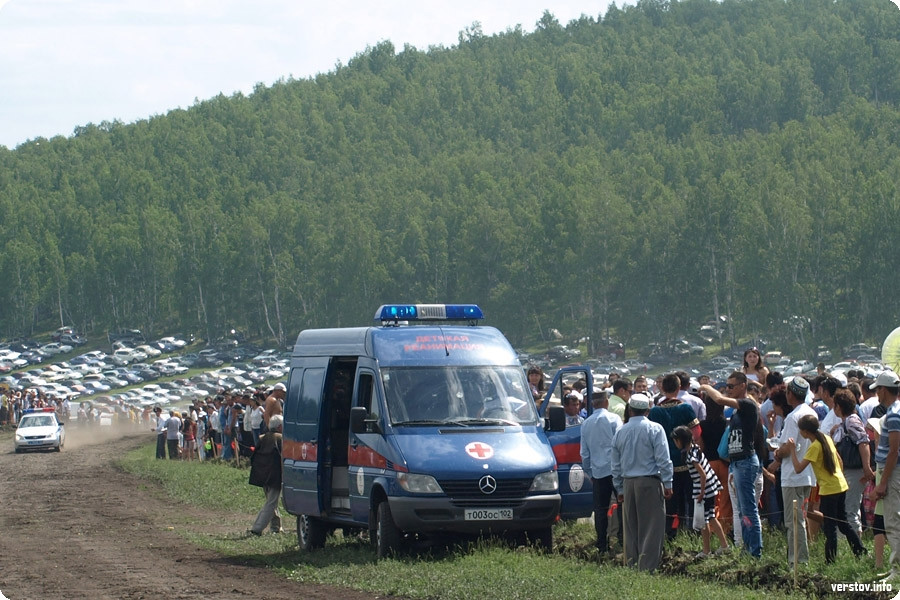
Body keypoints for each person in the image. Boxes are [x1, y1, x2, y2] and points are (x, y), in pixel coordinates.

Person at [700, 372, 763, 558]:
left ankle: (755, 552)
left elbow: (719, 400)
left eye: (731, 386)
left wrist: (705, 387)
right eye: (727, 386)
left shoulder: (748, 404)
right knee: (742, 510)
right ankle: (746, 548)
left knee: (749, 509)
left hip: (745, 461)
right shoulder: (737, 409)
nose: (728, 389)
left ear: (743, 385)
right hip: (736, 462)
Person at [788, 414, 866, 563]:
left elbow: (798, 468)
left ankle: (830, 560)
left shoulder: (814, 447)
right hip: (840, 485)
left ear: (805, 432)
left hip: (829, 490)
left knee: (830, 527)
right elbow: (840, 460)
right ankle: (859, 550)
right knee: (843, 523)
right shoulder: (827, 439)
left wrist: (792, 450)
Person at [611, 393, 673, 572]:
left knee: (631, 527)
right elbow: (663, 458)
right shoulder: (655, 429)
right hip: (650, 481)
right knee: (652, 527)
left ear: (630, 410)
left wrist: (619, 487)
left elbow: (615, 463)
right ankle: (647, 567)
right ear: (648, 410)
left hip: (628, 482)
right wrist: (668, 483)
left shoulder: (620, 431)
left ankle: (631, 564)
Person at [649, 373, 699, 539]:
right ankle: (691, 531)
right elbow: (697, 432)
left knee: (670, 502)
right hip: (686, 461)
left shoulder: (655, 411)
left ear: (662, 389)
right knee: (690, 498)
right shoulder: (684, 408)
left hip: (664, 463)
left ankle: (670, 533)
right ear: (679, 388)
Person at [671, 425, 729, 558]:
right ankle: (721, 546)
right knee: (711, 517)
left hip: (704, 488)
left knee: (704, 520)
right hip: (710, 486)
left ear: (681, 440)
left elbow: (702, 474)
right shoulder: (696, 448)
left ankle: (708, 550)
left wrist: (701, 492)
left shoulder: (691, 456)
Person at [580, 391, 623, 554]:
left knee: (600, 510)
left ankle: (601, 544)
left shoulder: (586, 424)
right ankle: (621, 540)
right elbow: (620, 444)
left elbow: (584, 453)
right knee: (621, 505)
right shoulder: (614, 419)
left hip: (598, 473)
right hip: (615, 470)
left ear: (592, 404)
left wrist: (590, 473)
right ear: (606, 402)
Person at [832, 388, 874, 536]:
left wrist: (866, 467)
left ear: (839, 406)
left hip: (854, 471)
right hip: (848, 471)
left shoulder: (851, 421)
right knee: (850, 508)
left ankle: (855, 547)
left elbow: (863, 443)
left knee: (850, 509)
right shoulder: (846, 422)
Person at [870, 370, 900, 578]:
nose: (877, 395)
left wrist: (883, 483)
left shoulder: (894, 414)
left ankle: (897, 569)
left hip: (893, 471)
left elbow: (894, 451)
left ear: (883, 390)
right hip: (892, 470)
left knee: (893, 520)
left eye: (878, 390)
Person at [248, 414, 284, 536]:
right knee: (271, 503)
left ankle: (275, 527)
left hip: (263, 474)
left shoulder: (263, 438)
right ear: (279, 427)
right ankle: (257, 528)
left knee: (271, 501)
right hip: (275, 476)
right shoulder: (280, 439)